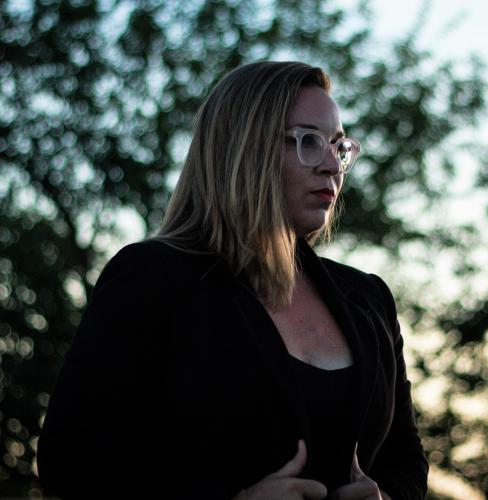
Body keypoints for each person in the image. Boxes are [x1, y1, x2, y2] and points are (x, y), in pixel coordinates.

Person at [37, 61, 428, 499]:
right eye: (308, 141)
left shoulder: (369, 297)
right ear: (244, 147)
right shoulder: (150, 278)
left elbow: (405, 459)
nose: (331, 166)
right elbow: (71, 465)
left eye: (339, 147)